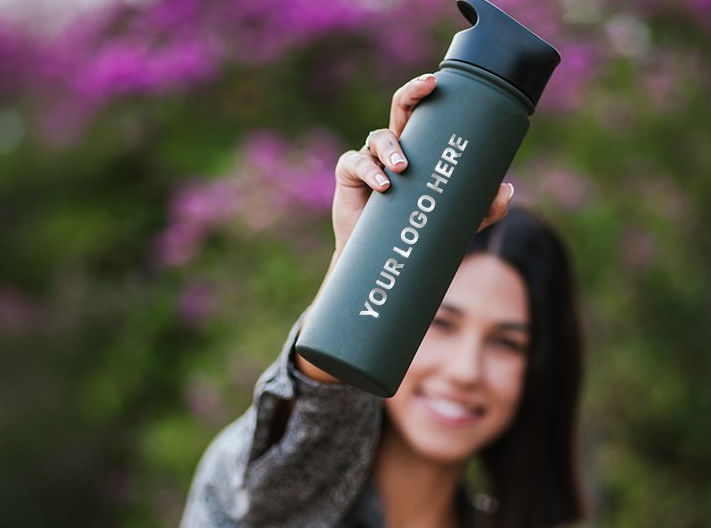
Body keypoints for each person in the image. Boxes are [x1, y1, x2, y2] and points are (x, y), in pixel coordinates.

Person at [182, 74, 586, 527]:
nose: (465, 371)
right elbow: (270, 496)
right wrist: (361, 269)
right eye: (442, 323)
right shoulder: (252, 493)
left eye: (507, 344)